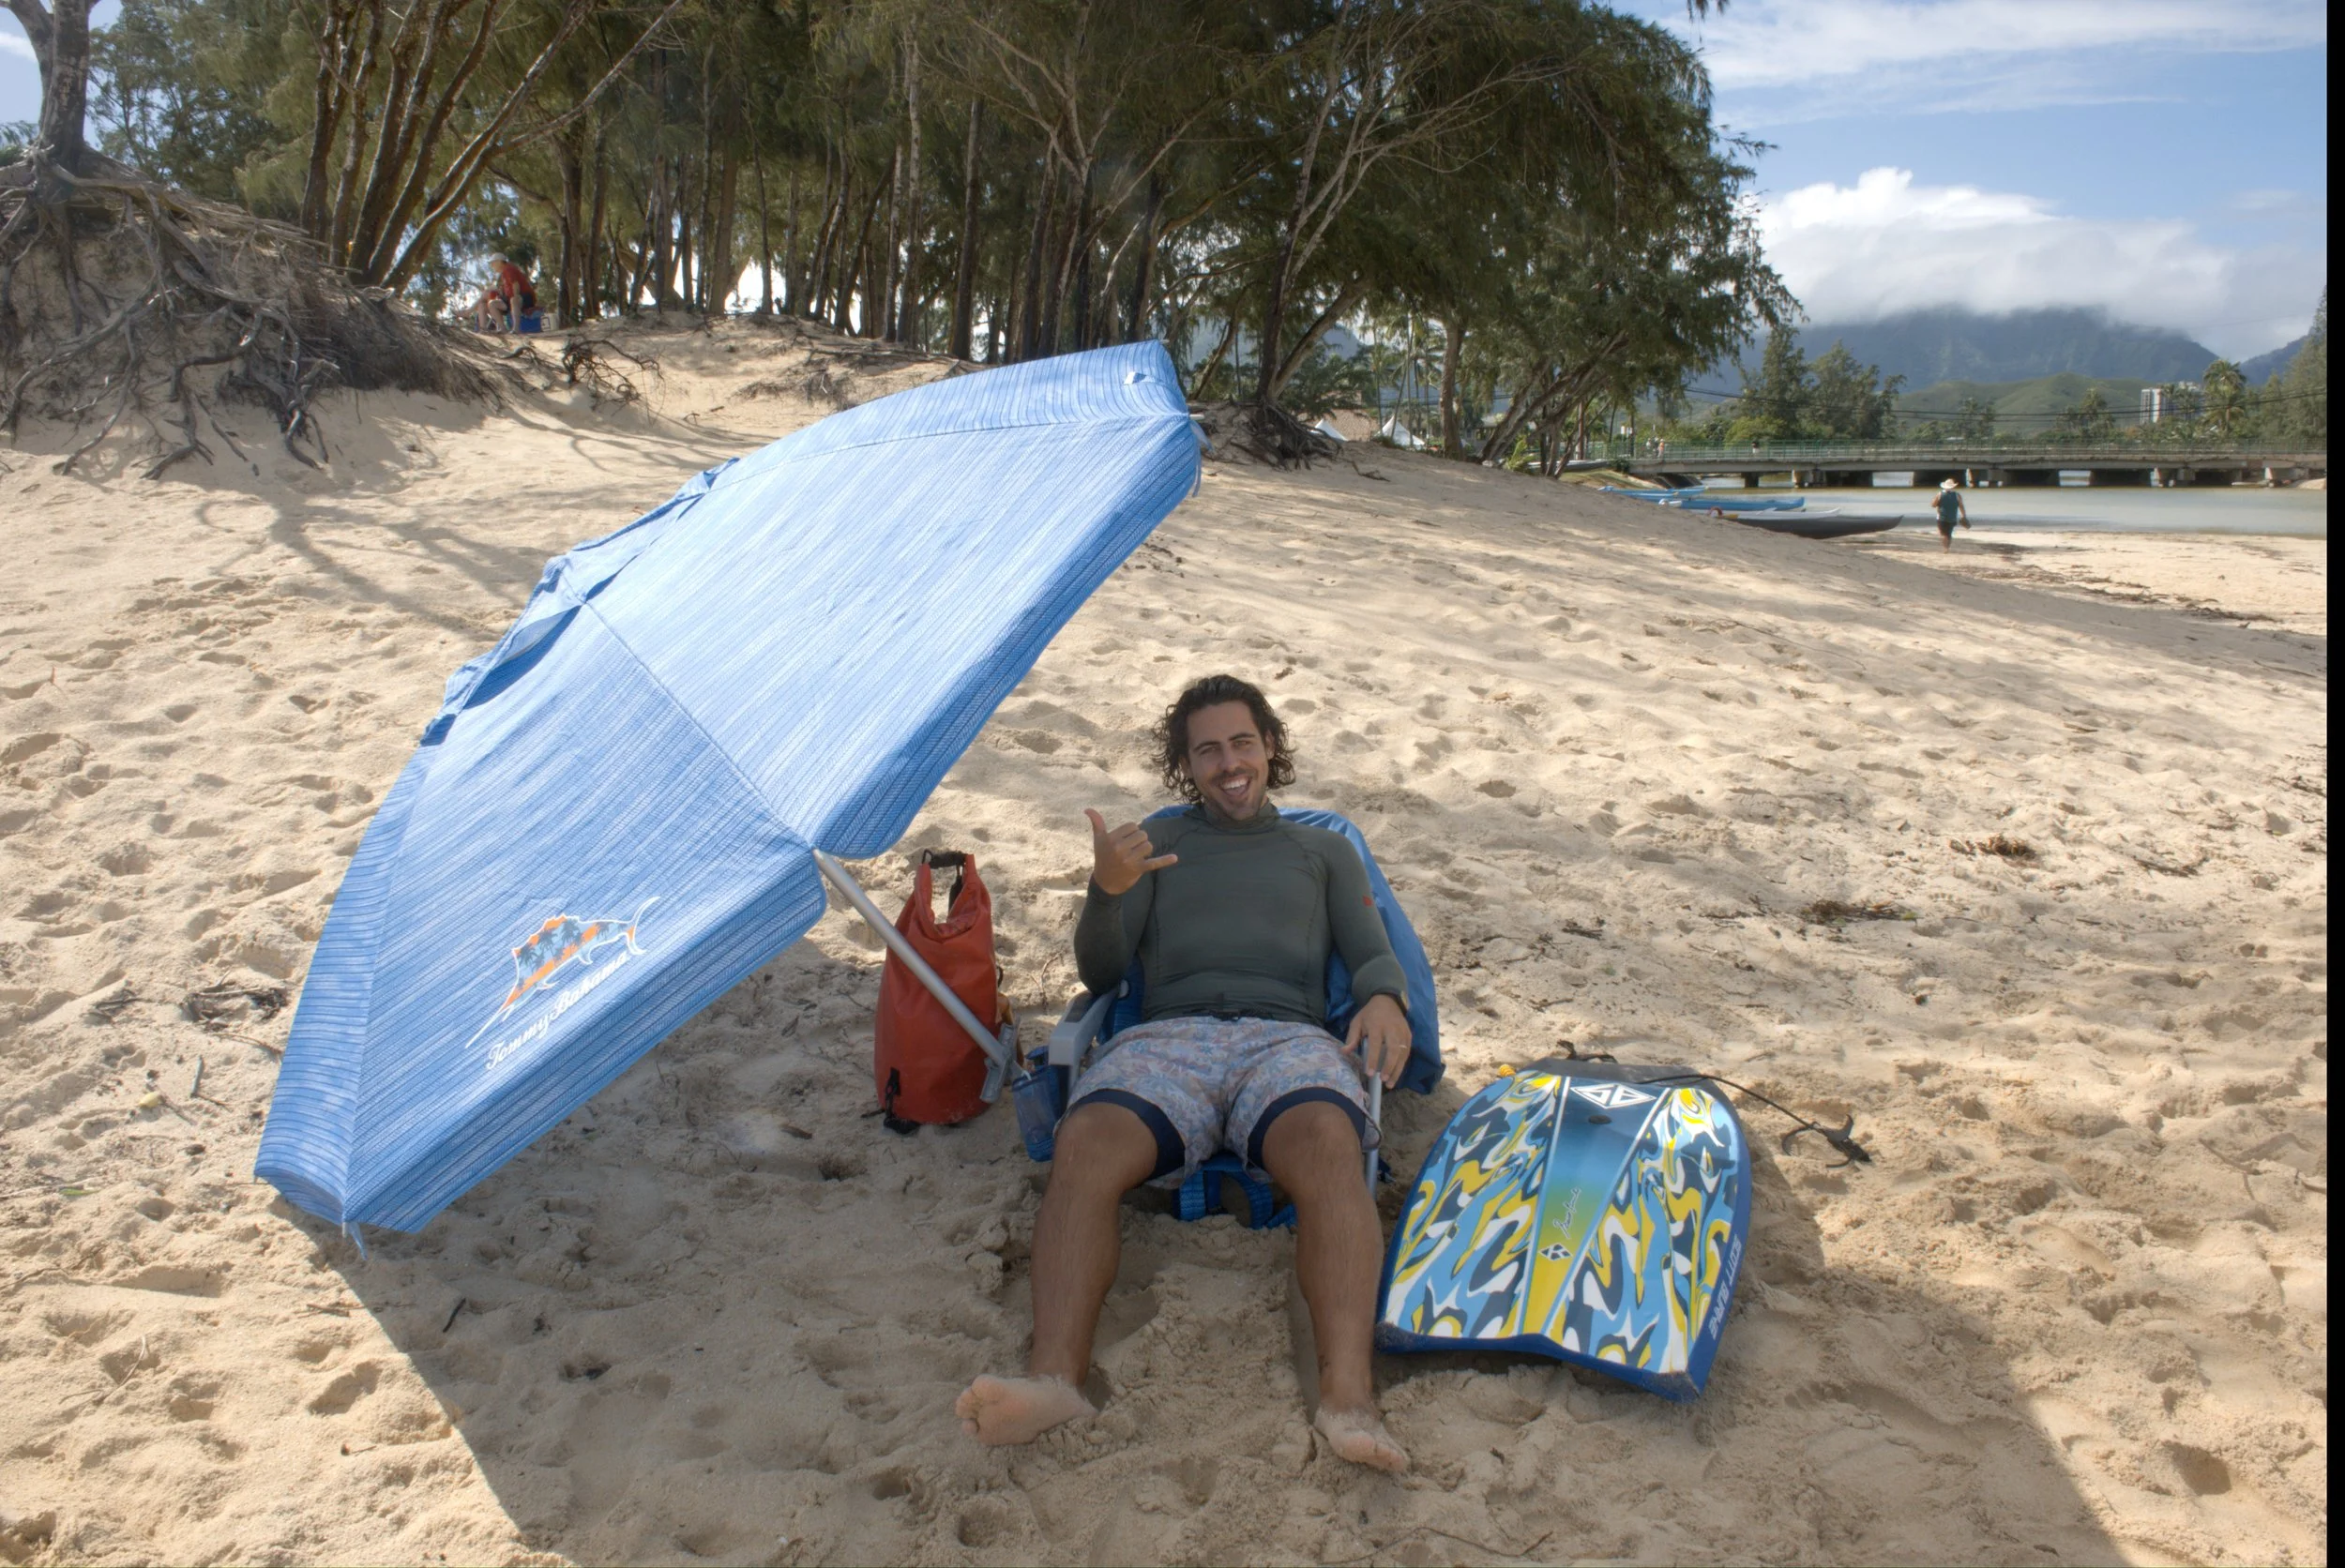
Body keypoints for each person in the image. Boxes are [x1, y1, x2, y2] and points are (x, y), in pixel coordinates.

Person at [954, 674, 1415, 1472]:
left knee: (1330, 1145)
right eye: (1207, 751)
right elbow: (1101, 973)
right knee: (1089, 1141)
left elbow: (1372, 952)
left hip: (1287, 1040)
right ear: (1185, 764)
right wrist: (1108, 889)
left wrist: (1384, 999)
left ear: (1269, 745)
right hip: (1169, 1039)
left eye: (1242, 742)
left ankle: (1348, 1398)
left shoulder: (1325, 851)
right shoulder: (1155, 842)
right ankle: (1054, 1378)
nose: (1228, 763)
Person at [472, 251, 537, 333]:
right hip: (509, 300)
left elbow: (515, 285)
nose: (491, 266)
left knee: (514, 300)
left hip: (525, 297)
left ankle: (516, 329)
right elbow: (505, 292)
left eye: (493, 263)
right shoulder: (503, 275)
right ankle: (502, 329)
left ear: (499, 261)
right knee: (492, 304)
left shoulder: (508, 269)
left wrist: (515, 296)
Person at [1933, 476, 1970, 551]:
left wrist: (1938, 503)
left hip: (1941, 517)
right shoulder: (1957, 495)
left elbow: (1933, 505)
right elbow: (1961, 506)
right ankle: (1947, 547)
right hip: (1952, 517)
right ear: (1953, 486)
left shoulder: (1939, 494)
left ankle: (1945, 548)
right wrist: (1963, 516)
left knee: (1943, 534)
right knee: (1949, 534)